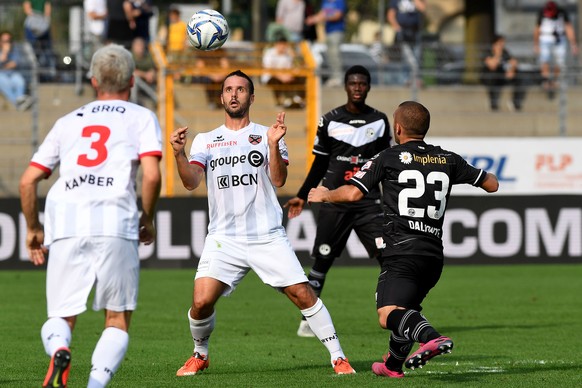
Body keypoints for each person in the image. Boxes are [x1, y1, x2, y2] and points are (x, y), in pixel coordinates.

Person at [169, 69, 356, 376]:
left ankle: (338, 357)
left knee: (303, 294)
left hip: (265, 235)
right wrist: (179, 154)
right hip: (223, 238)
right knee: (201, 302)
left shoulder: (267, 135)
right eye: (228, 89)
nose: (233, 94)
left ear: (251, 97)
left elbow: (279, 180)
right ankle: (200, 354)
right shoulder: (206, 140)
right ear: (221, 97)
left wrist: (272, 144)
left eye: (240, 89)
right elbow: (191, 182)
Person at [308, 101, 499, 378]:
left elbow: (352, 194)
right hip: (433, 255)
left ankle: (432, 338)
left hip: (401, 251)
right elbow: (491, 184)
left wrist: (324, 194)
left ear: (397, 128)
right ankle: (392, 365)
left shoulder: (388, 157)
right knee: (406, 310)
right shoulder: (448, 159)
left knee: (387, 314)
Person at [19, 43, 162, 388]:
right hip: (114, 218)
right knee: (117, 318)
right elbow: (152, 175)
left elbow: (28, 180)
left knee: (61, 315)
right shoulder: (140, 116)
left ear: (94, 81)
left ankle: (59, 349)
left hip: (66, 218)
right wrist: (147, 216)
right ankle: (95, 384)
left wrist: (34, 228)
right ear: (130, 81)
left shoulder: (67, 121)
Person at [283, 65, 391, 337]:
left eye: (362, 83)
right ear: (345, 86)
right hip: (334, 199)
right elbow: (319, 163)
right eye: (353, 83)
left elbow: (386, 165)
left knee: (388, 256)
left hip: (368, 201)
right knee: (322, 260)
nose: (357, 87)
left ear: (368, 87)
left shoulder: (379, 121)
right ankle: (309, 320)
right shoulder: (329, 120)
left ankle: (398, 310)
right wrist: (302, 193)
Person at [533, 0, 578, 99]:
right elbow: (537, 29)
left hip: (559, 39)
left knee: (559, 60)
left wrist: (573, 44)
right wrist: (536, 44)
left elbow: (568, 28)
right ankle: (546, 80)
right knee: (545, 59)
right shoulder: (542, 13)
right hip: (545, 38)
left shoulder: (562, 13)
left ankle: (555, 80)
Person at [305, 0, 347, 87]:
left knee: (335, 54)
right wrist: (313, 18)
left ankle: (338, 77)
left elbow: (337, 15)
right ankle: (333, 76)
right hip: (328, 32)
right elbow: (322, 13)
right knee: (330, 54)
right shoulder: (325, 2)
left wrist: (322, 18)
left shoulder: (339, 1)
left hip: (337, 31)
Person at [481, 35, 526, 112]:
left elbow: (514, 62)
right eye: (500, 42)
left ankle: (515, 102)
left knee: (521, 78)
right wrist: (497, 54)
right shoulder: (488, 53)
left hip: (503, 76)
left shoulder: (505, 52)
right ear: (494, 44)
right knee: (493, 79)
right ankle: (494, 103)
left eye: (503, 42)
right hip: (491, 77)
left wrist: (511, 71)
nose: (502, 44)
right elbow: (492, 66)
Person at [387, 0, 426, 85]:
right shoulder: (396, 1)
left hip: (415, 31)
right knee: (407, 57)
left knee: (417, 55)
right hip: (403, 33)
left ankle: (416, 79)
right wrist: (397, 27)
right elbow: (391, 15)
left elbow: (422, 8)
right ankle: (406, 79)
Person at [261, 35, 305, 109]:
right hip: (271, 77)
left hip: (285, 75)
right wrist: (281, 77)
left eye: (284, 44)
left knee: (300, 79)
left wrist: (294, 56)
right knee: (276, 82)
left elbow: (294, 67)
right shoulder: (269, 53)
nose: (282, 46)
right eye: (280, 44)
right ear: (276, 44)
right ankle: (279, 102)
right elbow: (269, 69)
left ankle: (298, 99)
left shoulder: (288, 54)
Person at [23, 0, 56, 80]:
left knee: (47, 52)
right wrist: (36, 17)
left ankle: (50, 74)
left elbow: (47, 10)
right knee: (31, 51)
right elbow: (27, 8)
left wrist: (43, 20)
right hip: (32, 25)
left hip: (42, 25)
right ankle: (34, 70)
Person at [0, 30, 33, 111]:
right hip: (1, 75)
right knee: (3, 82)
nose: (6, 43)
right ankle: (18, 103)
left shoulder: (15, 50)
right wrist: (4, 52)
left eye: (8, 41)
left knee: (19, 81)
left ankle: (19, 102)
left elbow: (15, 63)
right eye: (4, 41)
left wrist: (3, 66)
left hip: (13, 73)